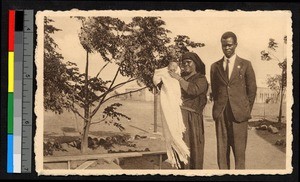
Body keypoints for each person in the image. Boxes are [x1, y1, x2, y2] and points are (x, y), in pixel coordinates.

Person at [210, 31, 257, 169]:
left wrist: (245, 109)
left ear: (236, 45)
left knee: (239, 155)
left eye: (230, 45)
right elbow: (215, 89)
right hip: (221, 114)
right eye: (224, 45)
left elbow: (252, 90)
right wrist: (218, 110)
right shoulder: (215, 66)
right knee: (222, 155)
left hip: (239, 116)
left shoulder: (246, 64)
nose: (227, 48)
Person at [169, 52, 208, 169]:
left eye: (189, 62)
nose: (186, 65)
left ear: (195, 64)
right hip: (178, 118)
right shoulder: (179, 78)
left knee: (193, 148)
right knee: (179, 148)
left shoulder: (201, 79)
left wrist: (179, 79)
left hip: (192, 119)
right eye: (183, 63)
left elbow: (192, 90)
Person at [153, 61, 190, 168]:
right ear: (167, 67)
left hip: (176, 101)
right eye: (171, 67)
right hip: (166, 98)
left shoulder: (178, 73)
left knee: (177, 124)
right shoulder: (163, 72)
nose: (173, 69)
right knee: (169, 123)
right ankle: (176, 153)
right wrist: (160, 84)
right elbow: (156, 78)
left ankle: (179, 153)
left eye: (175, 67)